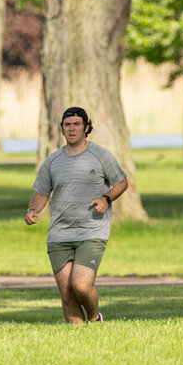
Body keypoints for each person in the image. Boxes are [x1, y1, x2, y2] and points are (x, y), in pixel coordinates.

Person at [25, 106, 128, 324]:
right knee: (67, 293)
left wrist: (106, 198)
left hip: (92, 231)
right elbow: (41, 193)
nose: (72, 129)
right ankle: (79, 341)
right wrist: (32, 210)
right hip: (60, 235)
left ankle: (94, 318)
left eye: (76, 124)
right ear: (62, 129)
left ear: (86, 127)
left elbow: (122, 182)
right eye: (67, 125)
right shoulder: (52, 161)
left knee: (80, 285)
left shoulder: (100, 155)